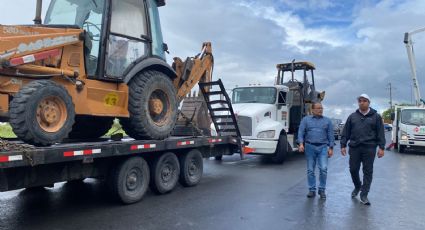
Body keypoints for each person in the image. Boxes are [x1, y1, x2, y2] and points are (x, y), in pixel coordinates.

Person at [340, 94, 385, 205]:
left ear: (369, 102)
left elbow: (380, 133)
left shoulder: (376, 117)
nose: (362, 102)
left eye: (364, 101)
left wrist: (381, 147)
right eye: (360, 101)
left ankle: (364, 194)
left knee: (368, 171)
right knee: (353, 169)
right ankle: (357, 186)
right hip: (355, 147)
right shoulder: (352, 117)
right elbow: (346, 132)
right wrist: (343, 145)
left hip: (369, 148)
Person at [298, 102, 334, 199]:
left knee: (323, 169)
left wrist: (331, 148)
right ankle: (312, 190)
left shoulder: (327, 121)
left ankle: (322, 190)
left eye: (321, 108)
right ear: (313, 110)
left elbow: (331, 135)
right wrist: (301, 144)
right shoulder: (306, 120)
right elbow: (301, 132)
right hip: (310, 147)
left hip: (323, 147)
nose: (320, 110)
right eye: (318, 108)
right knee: (310, 170)